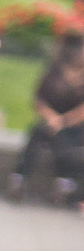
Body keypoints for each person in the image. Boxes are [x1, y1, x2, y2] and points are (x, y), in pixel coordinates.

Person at [9, 27, 84, 205]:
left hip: (75, 125)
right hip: (51, 121)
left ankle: (64, 183)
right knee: (37, 134)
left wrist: (64, 121)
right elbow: (39, 99)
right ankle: (19, 178)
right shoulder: (53, 71)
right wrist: (52, 118)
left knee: (62, 140)